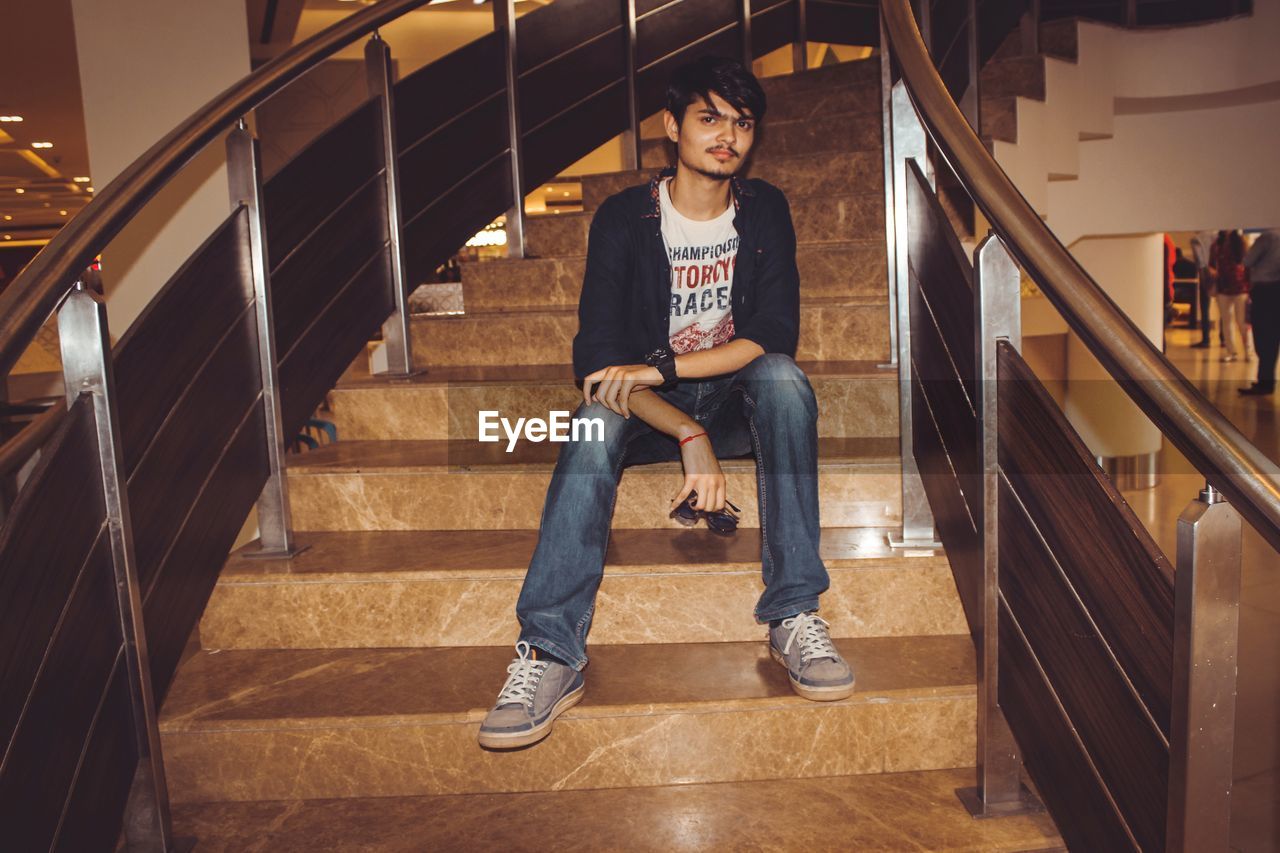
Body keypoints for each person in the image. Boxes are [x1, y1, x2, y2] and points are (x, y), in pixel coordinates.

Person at [477, 56, 852, 750]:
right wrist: (686, 431)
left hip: (731, 397)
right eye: (710, 119)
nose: (728, 137)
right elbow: (596, 367)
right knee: (593, 420)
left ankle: (794, 612)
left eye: (742, 123)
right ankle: (550, 651)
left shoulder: (765, 208)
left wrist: (663, 367)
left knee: (783, 382)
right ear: (671, 127)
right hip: (651, 414)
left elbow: (773, 335)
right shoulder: (625, 218)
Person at [1241, 228, 1280, 396]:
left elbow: (1247, 261)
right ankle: (1266, 381)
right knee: (1274, 336)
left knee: (1264, 337)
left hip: (1264, 291)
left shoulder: (1268, 236)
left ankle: (1265, 382)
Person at [1210, 230, 1249, 362]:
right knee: (1226, 322)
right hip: (1223, 287)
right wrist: (1214, 272)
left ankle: (1248, 351)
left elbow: (1247, 263)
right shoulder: (1217, 243)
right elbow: (1211, 264)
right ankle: (1231, 352)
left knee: (1242, 322)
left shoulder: (1240, 241)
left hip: (1240, 287)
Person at [1190, 230, 1217, 346]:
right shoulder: (1216, 235)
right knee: (1223, 307)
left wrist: (1203, 274)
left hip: (1205, 272)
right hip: (1218, 270)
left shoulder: (1196, 239)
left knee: (1205, 306)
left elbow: (1200, 260)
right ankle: (1223, 339)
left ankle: (1206, 339)